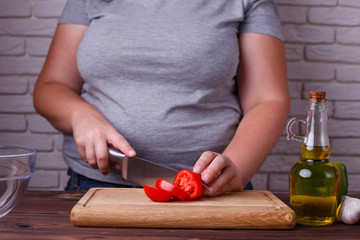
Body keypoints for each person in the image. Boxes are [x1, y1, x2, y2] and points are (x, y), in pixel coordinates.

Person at [33, 0, 290, 196]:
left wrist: (237, 166)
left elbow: (267, 98)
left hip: (210, 192)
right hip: (94, 187)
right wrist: (81, 116)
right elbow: (51, 86)